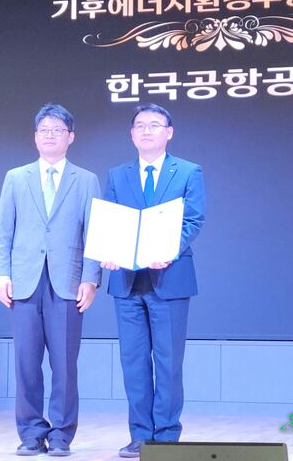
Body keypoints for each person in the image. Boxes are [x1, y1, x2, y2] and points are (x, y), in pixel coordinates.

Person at [0, 104, 101, 457]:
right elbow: (3, 231)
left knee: (65, 365)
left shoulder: (86, 180)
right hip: (24, 281)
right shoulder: (16, 177)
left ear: (71, 137)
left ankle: (61, 435)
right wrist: (1, 273)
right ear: (35, 137)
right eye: (44, 130)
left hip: (67, 282)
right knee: (26, 363)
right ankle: (30, 433)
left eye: (57, 130)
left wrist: (91, 278)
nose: (50, 135)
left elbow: (94, 233)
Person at [101, 103, 206, 458]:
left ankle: (166, 437)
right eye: (140, 125)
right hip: (127, 282)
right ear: (132, 134)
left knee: (168, 361)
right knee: (133, 363)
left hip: (169, 278)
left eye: (155, 125)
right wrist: (109, 251)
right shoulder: (117, 175)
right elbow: (111, 221)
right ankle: (140, 435)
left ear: (169, 132)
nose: (147, 130)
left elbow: (193, 219)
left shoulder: (188, 171)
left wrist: (168, 250)